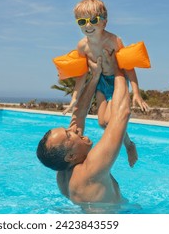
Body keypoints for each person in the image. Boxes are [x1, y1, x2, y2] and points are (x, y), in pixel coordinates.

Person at [63, 0, 148, 167]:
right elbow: (81, 75)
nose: (88, 26)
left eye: (93, 20)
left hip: (117, 80)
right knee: (102, 123)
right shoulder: (82, 47)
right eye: (82, 21)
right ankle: (129, 142)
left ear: (104, 22)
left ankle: (129, 146)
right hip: (101, 82)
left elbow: (128, 66)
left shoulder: (114, 41)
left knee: (112, 120)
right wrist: (74, 99)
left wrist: (136, 93)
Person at [37, 56, 131, 205]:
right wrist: (118, 68)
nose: (73, 129)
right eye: (68, 134)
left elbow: (78, 113)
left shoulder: (62, 171)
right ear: (71, 156)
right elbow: (122, 114)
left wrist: (95, 77)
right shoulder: (91, 169)